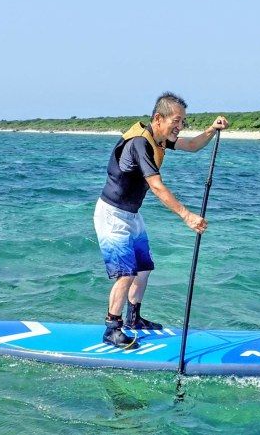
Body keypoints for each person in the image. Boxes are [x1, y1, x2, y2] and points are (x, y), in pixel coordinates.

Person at [94, 92, 228, 348]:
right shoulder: (140, 144)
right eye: (176, 121)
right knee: (126, 273)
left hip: (131, 214)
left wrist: (212, 129)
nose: (180, 127)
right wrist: (187, 216)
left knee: (143, 268)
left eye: (183, 122)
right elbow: (156, 186)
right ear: (158, 118)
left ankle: (134, 319)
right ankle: (112, 328)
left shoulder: (160, 139)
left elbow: (191, 145)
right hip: (112, 215)